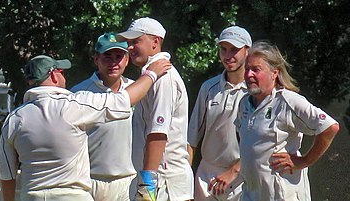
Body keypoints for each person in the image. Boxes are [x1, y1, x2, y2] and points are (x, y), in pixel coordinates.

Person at [0, 54, 170, 201]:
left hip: (32, 196)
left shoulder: (13, 120)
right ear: (53, 76)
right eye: (62, 72)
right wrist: (151, 74)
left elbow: (7, 175)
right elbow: (123, 101)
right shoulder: (74, 105)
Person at [235, 41, 340, 200]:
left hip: (282, 194)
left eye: (256, 69)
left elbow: (330, 127)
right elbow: (243, 138)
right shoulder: (244, 103)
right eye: (247, 69)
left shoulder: (288, 101)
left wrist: (304, 161)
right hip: (251, 194)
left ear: (274, 73)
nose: (249, 75)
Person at [117, 17, 193, 201]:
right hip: (159, 183)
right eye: (128, 43)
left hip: (165, 186)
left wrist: (147, 184)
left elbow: (158, 134)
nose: (130, 48)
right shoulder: (151, 75)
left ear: (155, 42)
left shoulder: (163, 78)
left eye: (136, 41)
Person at [187, 26, 251, 201]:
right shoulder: (208, 88)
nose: (228, 55)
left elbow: (263, 144)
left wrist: (234, 171)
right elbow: (191, 138)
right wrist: (185, 181)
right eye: (223, 49)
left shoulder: (256, 91)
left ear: (247, 51)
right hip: (206, 177)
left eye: (234, 49)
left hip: (242, 178)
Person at [69, 33, 136, 201]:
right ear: (96, 59)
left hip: (128, 181)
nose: (113, 63)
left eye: (118, 57)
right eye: (107, 57)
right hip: (89, 181)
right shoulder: (78, 93)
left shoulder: (137, 90)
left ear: (126, 60)